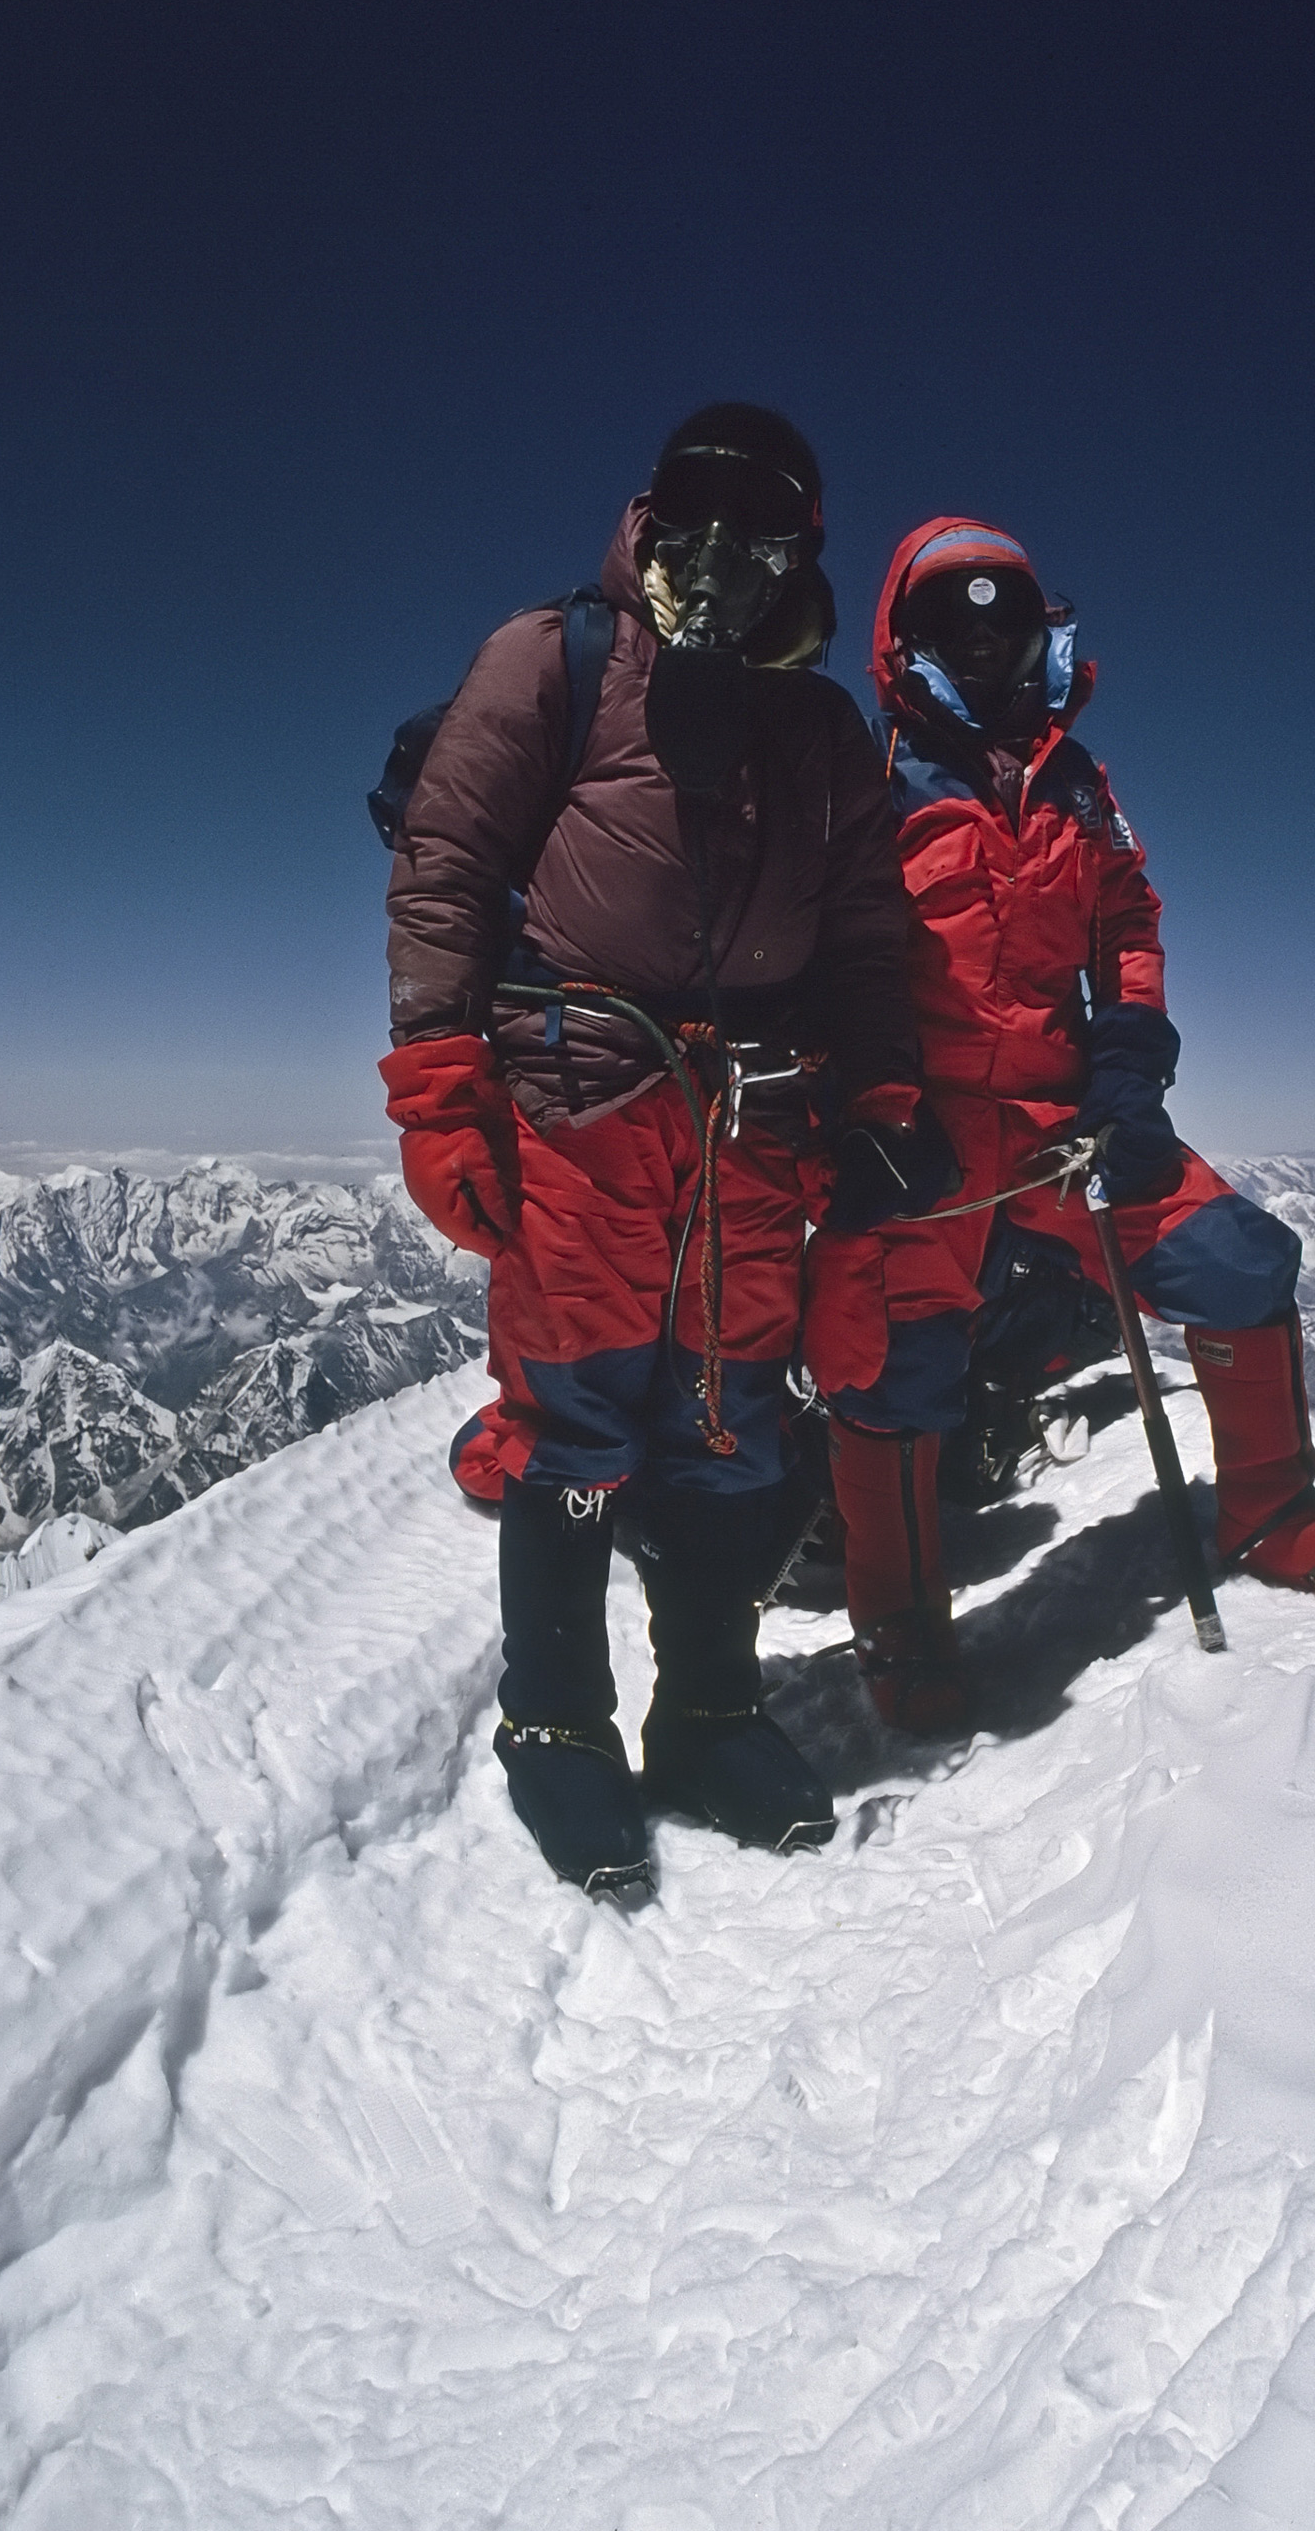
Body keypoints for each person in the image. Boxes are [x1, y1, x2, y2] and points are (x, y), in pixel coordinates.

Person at [379, 408, 951, 1894]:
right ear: (651, 511)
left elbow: (871, 944)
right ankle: (555, 1728)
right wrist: (442, 1090)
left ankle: (706, 1718)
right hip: (583, 1114)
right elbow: (448, 873)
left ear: (801, 554)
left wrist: (886, 1105)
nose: (729, 552)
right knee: (573, 1427)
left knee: (725, 1433)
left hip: (754, 1131)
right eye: (703, 510)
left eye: (767, 527)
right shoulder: (556, 662)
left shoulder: (820, 735)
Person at [803, 516, 1315, 1734]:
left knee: (1235, 1260)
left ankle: (1271, 1509)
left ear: (1038, 636)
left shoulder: (1079, 788)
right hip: (917, 1129)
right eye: (954, 627)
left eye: (1005, 625)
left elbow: (1125, 926)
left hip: (1059, 1117)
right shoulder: (866, 785)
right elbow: (826, 958)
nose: (984, 650)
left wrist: (1130, 1063)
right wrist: (862, 1106)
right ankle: (903, 1626)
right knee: (897, 1371)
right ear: (908, 642)